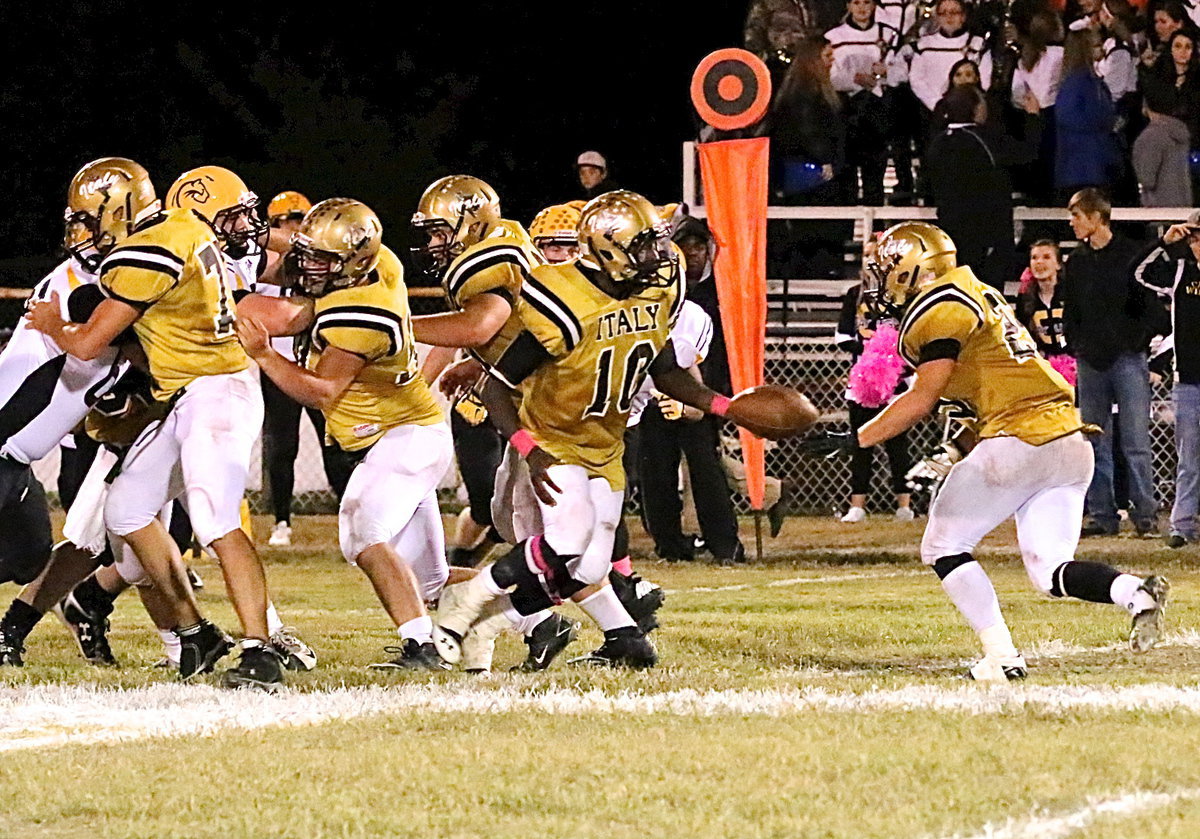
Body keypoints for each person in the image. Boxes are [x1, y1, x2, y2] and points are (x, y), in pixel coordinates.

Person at [803, 221, 1169, 681]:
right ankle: (1135, 593)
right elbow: (982, 398)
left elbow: (922, 397)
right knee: (1050, 571)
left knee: (943, 546)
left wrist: (857, 437)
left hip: (1020, 438)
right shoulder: (977, 293)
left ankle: (1001, 655)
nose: (880, 284)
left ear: (913, 269)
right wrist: (950, 453)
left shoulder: (939, 307)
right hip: (1069, 442)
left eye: (886, 271)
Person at [434, 190, 764, 668]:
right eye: (645, 246)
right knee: (564, 542)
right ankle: (463, 605)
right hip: (554, 437)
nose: (659, 255)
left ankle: (539, 627)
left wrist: (725, 406)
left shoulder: (654, 289)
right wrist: (529, 449)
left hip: (605, 441)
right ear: (610, 250)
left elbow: (666, 370)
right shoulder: (563, 300)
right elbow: (496, 386)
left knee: (589, 567)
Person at [27, 161, 285, 690]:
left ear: (119, 209)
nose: (86, 231)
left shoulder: (145, 251)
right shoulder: (183, 225)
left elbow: (87, 344)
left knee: (215, 521)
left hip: (216, 391)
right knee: (126, 509)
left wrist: (54, 323)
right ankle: (195, 633)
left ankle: (261, 649)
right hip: (187, 392)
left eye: (90, 218)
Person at [237, 198, 458, 671]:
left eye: (322, 260)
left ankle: (422, 646)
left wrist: (265, 354)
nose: (308, 267)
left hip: (403, 437)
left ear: (351, 263)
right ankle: (538, 621)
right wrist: (250, 240)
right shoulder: (379, 263)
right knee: (432, 582)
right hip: (407, 435)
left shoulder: (358, 314)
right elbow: (292, 267)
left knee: (361, 530)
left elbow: (321, 391)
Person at [409, 175, 589, 670]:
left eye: (439, 231)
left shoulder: (489, 261)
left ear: (470, 222)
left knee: (547, 533)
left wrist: (396, 324)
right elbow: (514, 329)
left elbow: (479, 324)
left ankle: (612, 620)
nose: (433, 243)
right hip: (535, 397)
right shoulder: (501, 244)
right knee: (510, 517)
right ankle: (545, 622)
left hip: (551, 403)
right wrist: (477, 365)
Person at [1060, 188, 1163, 537]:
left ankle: (1145, 515)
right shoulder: (1076, 261)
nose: (1072, 223)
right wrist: (1078, 345)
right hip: (1091, 361)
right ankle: (1102, 515)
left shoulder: (1130, 255)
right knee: (1093, 442)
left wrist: (1135, 342)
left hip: (1127, 358)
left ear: (1096, 217)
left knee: (1135, 442)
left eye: (1077, 216)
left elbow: (1150, 307)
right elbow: (1071, 310)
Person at [257, 190, 352, 547]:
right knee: (281, 447)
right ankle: (282, 519)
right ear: (274, 225)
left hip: (316, 363)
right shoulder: (262, 264)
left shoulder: (323, 259)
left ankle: (350, 514)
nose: (294, 228)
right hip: (279, 365)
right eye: (287, 221)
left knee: (335, 443)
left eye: (300, 220)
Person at [924, 85, 1041, 290]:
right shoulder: (986, 139)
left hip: (949, 236)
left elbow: (927, 188)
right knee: (987, 298)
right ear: (977, 108)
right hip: (987, 238)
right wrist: (1033, 118)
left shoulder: (937, 143)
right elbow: (1027, 153)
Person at [1133, 211, 1200, 547]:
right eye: (1195, 238)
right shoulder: (1180, 271)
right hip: (1187, 380)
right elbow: (1138, 272)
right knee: (1188, 459)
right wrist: (1163, 242)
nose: (1198, 244)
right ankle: (1182, 526)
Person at [834, 280, 913, 523]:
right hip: (864, 384)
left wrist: (891, 356)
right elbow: (842, 337)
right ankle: (857, 507)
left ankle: (905, 506)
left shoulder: (906, 294)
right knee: (861, 444)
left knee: (898, 446)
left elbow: (913, 338)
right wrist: (873, 349)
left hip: (897, 384)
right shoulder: (855, 293)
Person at [825, 0, 905, 205]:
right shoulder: (834, 36)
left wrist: (886, 72)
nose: (862, 8)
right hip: (845, 109)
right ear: (848, 6)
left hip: (876, 110)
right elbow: (828, 75)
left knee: (875, 173)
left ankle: (875, 223)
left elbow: (903, 72)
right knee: (846, 172)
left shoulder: (889, 34)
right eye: (856, 2)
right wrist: (854, 79)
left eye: (867, 2)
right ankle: (846, 222)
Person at [771, 36, 845, 205]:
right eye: (827, 56)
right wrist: (824, 159)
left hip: (805, 167)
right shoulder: (805, 93)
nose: (832, 60)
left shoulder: (804, 90)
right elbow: (809, 130)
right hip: (810, 170)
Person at [1055, 28, 1119, 197]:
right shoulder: (1076, 82)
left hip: (1096, 164)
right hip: (1081, 167)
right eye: (1097, 45)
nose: (1102, 49)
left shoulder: (1093, 81)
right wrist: (1101, 123)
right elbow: (1066, 116)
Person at [906, 0, 992, 125]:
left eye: (954, 12)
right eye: (943, 13)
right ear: (937, 17)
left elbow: (984, 81)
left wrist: (964, 104)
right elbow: (916, 79)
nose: (949, 17)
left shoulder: (978, 44)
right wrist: (938, 104)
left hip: (968, 112)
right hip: (932, 112)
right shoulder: (924, 44)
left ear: (963, 16)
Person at [1133, 81, 1194, 207]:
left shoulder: (1151, 136)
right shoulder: (1180, 132)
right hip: (1184, 206)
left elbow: (1147, 179)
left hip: (1158, 209)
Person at [1016, 240, 1071, 359]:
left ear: (1058, 264)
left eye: (1046, 257)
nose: (1039, 262)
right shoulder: (1025, 298)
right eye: (1034, 258)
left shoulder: (1071, 293)